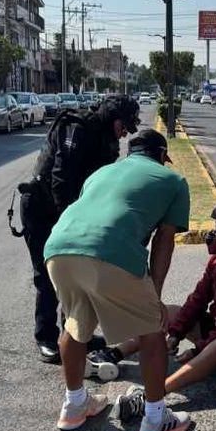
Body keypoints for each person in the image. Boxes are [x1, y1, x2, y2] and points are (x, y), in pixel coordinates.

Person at [45, 129, 191, 431]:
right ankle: (155, 420)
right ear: (161, 156)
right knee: (152, 330)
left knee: (74, 325)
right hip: (109, 250)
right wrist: (154, 295)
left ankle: (74, 405)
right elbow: (164, 241)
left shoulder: (101, 173)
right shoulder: (174, 180)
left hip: (58, 249)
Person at [94, 196, 216, 424]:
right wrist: (176, 334)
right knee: (170, 312)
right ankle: (113, 354)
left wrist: (196, 350)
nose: (215, 232)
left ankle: (152, 396)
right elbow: (198, 299)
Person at [23, 95, 141, 364]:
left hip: (71, 210)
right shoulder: (77, 128)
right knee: (48, 275)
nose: (125, 133)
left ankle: (75, 335)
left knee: (77, 276)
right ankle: (46, 338)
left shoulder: (106, 139)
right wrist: (70, 221)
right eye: (124, 126)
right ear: (113, 118)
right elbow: (60, 178)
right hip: (43, 209)